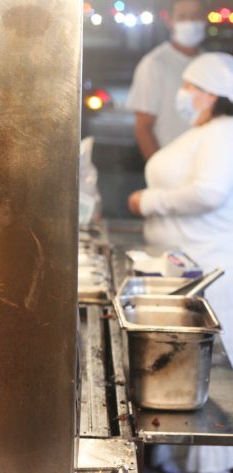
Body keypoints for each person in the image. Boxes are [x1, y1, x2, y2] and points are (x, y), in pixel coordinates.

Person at [128, 52, 233, 473]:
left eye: (190, 86)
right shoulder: (201, 132)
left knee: (210, 389)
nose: (183, 94)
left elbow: (209, 193)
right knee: (184, 381)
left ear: (210, 94)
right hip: (183, 271)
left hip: (211, 272)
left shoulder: (223, 133)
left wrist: (146, 201)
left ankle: (208, 467)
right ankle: (174, 462)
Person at [126, 0, 205, 161]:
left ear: (204, 19)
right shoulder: (155, 64)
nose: (189, 22)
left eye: (195, 16)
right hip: (172, 169)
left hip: (205, 170)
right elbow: (143, 127)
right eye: (182, 17)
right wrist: (159, 172)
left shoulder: (208, 64)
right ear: (170, 20)